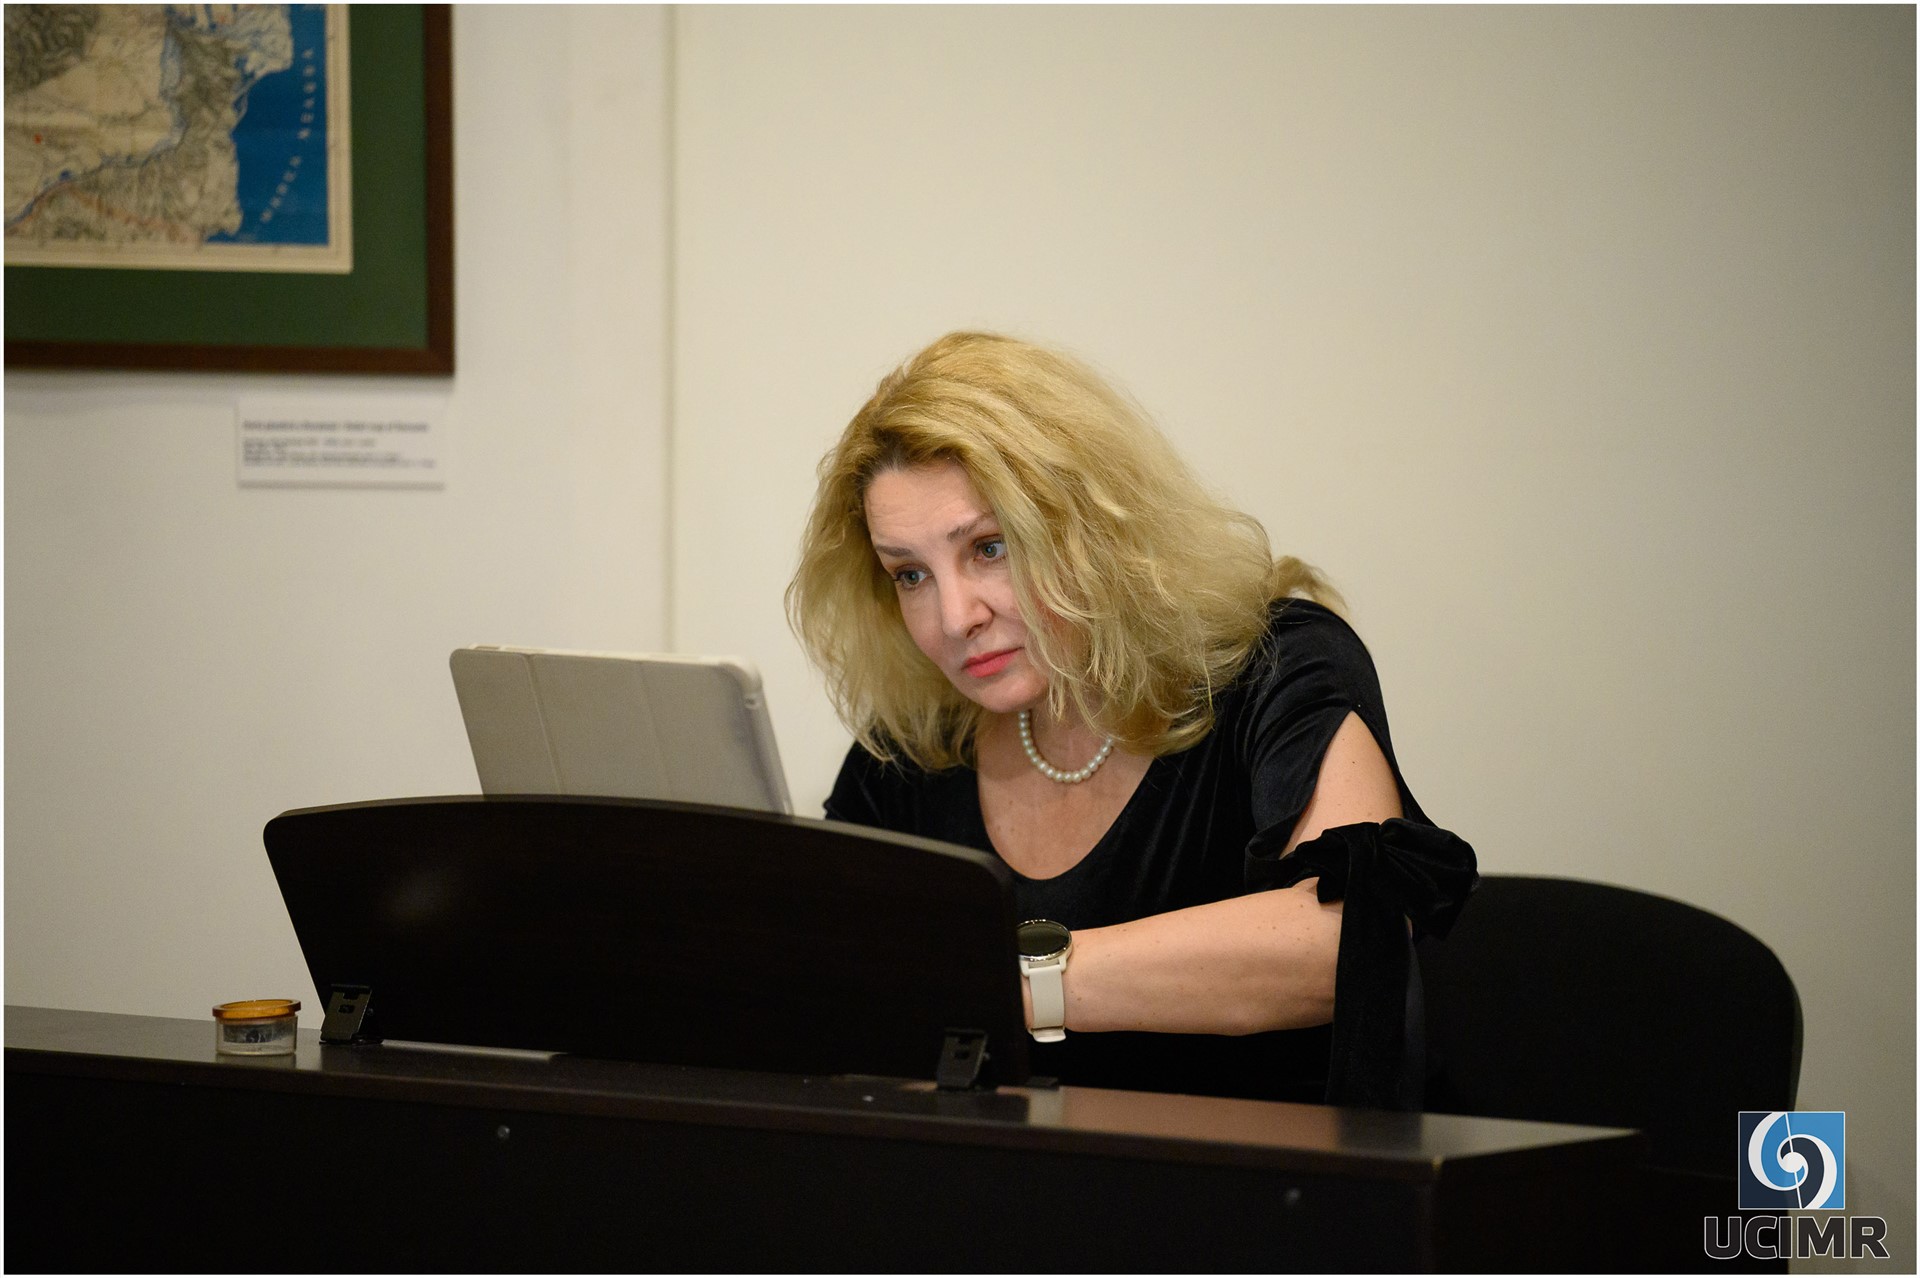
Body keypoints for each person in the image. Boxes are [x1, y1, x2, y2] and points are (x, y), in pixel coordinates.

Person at [786, 331, 1474, 1104]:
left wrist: (1012, 984)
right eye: (910, 574)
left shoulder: (1278, 667)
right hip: (1011, 1171)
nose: (954, 616)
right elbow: (824, 985)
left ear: (1092, 525)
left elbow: (1345, 942)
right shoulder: (913, 750)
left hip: (1273, 1167)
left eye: (989, 547)